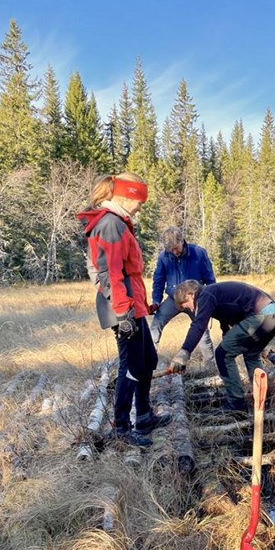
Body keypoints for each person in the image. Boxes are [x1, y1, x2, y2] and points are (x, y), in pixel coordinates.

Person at [78, 173, 171, 448]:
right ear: (126, 195)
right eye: (138, 201)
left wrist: (142, 305)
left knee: (148, 361)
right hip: (122, 307)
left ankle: (143, 416)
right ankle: (121, 428)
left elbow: (128, 274)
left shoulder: (118, 223)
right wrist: (123, 313)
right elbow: (111, 274)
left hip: (133, 304)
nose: (140, 207)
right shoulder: (110, 224)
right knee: (130, 367)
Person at [167, 280, 275, 412]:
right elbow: (227, 317)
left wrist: (184, 353)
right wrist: (226, 335)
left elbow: (199, 325)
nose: (191, 310)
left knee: (222, 354)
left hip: (263, 317)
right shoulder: (213, 292)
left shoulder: (205, 295)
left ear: (190, 295)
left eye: (187, 306)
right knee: (251, 355)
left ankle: (237, 404)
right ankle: (262, 398)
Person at [150, 227, 216, 366]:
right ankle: (148, 359)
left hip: (196, 300)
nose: (174, 252)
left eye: (176, 248)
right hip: (173, 299)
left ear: (182, 241)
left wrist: (211, 301)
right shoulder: (163, 257)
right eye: (171, 250)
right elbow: (159, 280)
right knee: (156, 324)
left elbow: (210, 279)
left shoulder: (199, 253)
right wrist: (156, 300)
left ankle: (210, 365)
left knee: (202, 330)